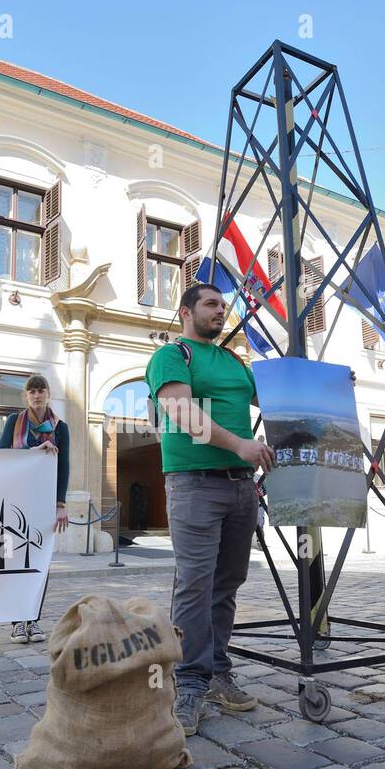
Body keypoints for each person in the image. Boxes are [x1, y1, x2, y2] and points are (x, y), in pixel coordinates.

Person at [148, 283, 274, 736]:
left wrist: (323, 387)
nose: (221, 311)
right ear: (186, 312)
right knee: (195, 584)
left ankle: (218, 672)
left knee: (226, 585)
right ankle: (188, 682)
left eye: (223, 305)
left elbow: (279, 397)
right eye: (211, 304)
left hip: (240, 488)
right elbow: (182, 413)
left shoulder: (234, 361)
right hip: (195, 484)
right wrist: (240, 443)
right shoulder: (173, 355)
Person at [0, 374, 68, 644]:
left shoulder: (61, 428)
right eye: (32, 391)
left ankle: (34, 620)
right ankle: (17, 622)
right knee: (13, 560)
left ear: (48, 394)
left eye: (41, 390)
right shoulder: (14, 422)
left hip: (44, 503)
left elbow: (64, 468)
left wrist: (61, 505)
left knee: (39, 563)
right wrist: (35, 450)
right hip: (13, 501)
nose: (37, 395)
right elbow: (1, 455)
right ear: (26, 396)